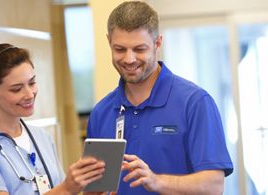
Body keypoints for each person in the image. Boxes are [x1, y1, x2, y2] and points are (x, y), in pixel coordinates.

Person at [86, 1, 234, 194]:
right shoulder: (101, 112)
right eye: (120, 49)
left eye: (139, 49)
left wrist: (157, 182)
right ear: (109, 42)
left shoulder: (195, 102)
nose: (129, 59)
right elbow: (94, 188)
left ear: (157, 43)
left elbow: (214, 186)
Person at [0, 43, 106, 195]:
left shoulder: (41, 137)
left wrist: (93, 190)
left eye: (32, 83)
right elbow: (63, 191)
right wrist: (67, 188)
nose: (29, 94)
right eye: (16, 89)